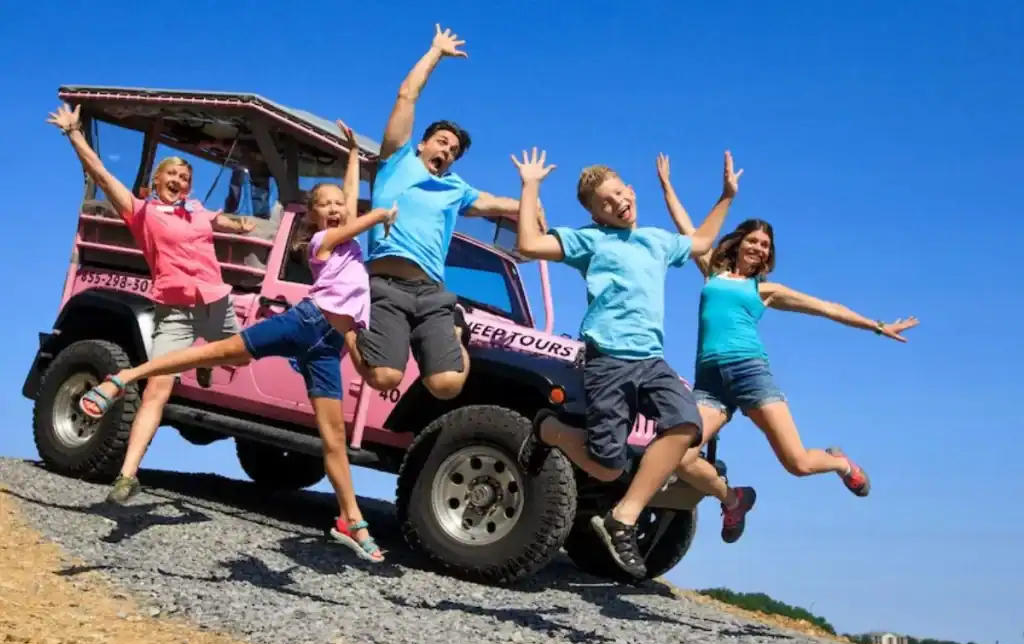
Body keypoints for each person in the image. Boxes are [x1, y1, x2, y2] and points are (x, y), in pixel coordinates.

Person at [76, 122, 396, 563]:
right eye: (326, 205)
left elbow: (349, 195)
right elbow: (348, 223)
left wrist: (353, 156)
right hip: (305, 322)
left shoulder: (349, 243)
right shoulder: (321, 242)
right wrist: (376, 215)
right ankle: (122, 377)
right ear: (314, 216)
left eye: (341, 203)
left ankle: (350, 519)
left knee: (333, 439)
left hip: (327, 346)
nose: (337, 208)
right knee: (212, 351)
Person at [656, 152, 919, 541]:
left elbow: (826, 308)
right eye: (754, 241)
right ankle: (733, 499)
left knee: (796, 463)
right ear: (739, 242)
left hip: (750, 374)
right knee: (677, 455)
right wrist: (667, 186)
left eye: (766, 245)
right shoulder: (712, 270)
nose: (760, 248)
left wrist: (877, 326)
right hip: (710, 382)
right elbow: (686, 226)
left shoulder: (764, 290)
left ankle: (839, 463)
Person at [510, 146, 743, 581]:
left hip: (651, 360)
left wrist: (726, 196)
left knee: (686, 425)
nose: (617, 203)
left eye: (619, 193)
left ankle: (623, 518)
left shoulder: (656, 240)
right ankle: (549, 429)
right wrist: (530, 186)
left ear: (631, 191)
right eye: (605, 203)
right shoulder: (590, 240)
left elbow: (703, 242)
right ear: (596, 215)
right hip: (608, 362)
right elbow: (528, 243)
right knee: (607, 464)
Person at [48, 102, 257, 505]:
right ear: (156, 181)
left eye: (184, 176)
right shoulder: (142, 212)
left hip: (214, 302)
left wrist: (238, 223)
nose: (179, 180)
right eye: (172, 175)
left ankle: (204, 362)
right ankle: (127, 476)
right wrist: (74, 134)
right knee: (158, 389)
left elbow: (220, 220)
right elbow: (103, 176)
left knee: (239, 358)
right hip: (175, 309)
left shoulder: (196, 210)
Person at [351, 24, 528, 401]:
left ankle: (456, 326)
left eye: (453, 150)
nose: (446, 151)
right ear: (422, 144)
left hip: (431, 292)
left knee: (447, 386)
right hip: (385, 286)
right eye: (441, 142)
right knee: (383, 378)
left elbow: (499, 204)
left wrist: (532, 196)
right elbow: (406, 96)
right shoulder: (396, 162)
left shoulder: (456, 189)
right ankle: (344, 323)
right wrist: (435, 52)